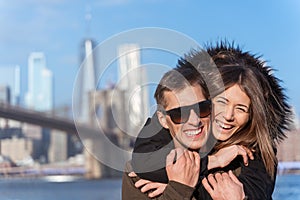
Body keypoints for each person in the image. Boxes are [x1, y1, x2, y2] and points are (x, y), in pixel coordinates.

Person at [127, 41, 292, 199]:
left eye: (241, 109)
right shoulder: (174, 122)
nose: (228, 115)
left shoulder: (255, 151)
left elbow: (247, 193)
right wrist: (212, 161)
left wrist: (183, 188)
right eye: (221, 102)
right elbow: (144, 162)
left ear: (252, 115)